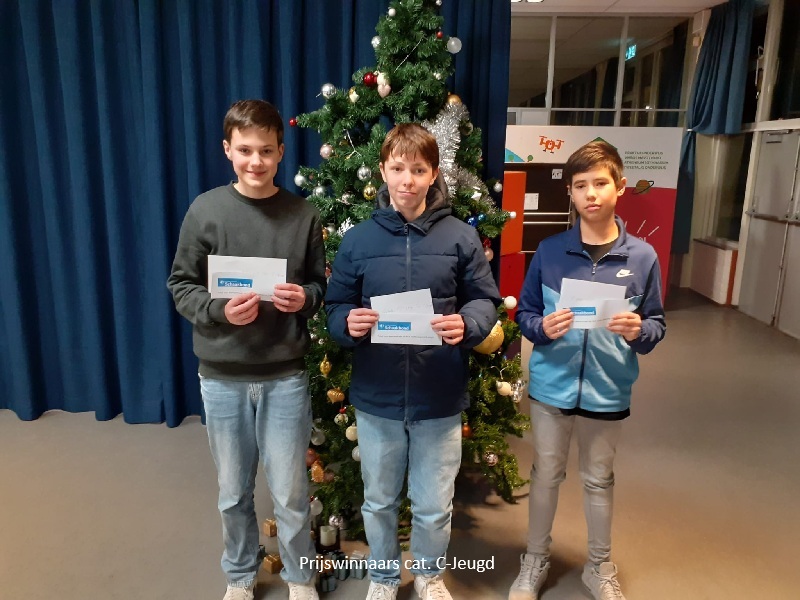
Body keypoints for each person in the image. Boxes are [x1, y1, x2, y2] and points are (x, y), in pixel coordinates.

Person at [325, 123, 501, 600]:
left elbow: (484, 299)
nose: (407, 180)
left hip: (438, 395)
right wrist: (346, 323)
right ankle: (384, 578)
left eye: (419, 170)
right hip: (377, 397)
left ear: (434, 174)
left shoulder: (461, 236)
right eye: (398, 168)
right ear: (382, 171)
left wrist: (469, 323)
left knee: (434, 504)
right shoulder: (358, 241)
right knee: (379, 502)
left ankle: (428, 575)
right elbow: (335, 306)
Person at [167, 100, 324, 600]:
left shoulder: (303, 215)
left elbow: (319, 286)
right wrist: (218, 310)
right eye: (245, 150)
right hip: (222, 376)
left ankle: (299, 576)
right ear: (227, 150)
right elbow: (181, 285)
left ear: (281, 152)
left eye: (266, 151)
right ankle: (240, 574)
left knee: (291, 492)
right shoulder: (205, 210)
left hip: (285, 376)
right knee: (233, 491)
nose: (256, 161)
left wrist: (305, 299)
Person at [509, 141, 666, 600]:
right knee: (545, 474)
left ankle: (598, 566)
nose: (590, 194)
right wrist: (541, 328)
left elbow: (656, 325)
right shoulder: (550, 251)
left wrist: (639, 330)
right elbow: (525, 314)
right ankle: (534, 560)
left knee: (598, 479)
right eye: (581, 185)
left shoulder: (642, 257)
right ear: (571, 193)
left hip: (608, 389)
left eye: (600, 183)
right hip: (551, 388)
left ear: (620, 187)